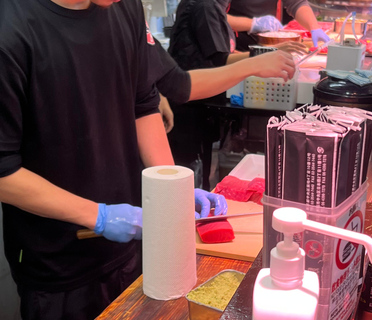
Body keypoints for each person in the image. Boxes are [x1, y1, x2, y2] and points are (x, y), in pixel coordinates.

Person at [0, 0, 295, 319]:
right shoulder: (11, 28)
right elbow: (4, 171)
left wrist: (171, 188)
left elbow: (144, 104)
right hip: (58, 263)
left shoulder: (124, 7)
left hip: (133, 245)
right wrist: (98, 215)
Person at [166, 0, 304, 190]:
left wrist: (265, 56)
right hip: (191, 105)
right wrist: (264, 56)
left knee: (201, 174)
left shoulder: (216, 6)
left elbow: (223, 52)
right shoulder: (205, 6)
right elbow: (220, 60)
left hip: (200, 100)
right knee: (190, 177)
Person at [227, 0, 330, 51]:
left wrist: (314, 27)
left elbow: (296, 3)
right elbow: (214, 16)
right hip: (232, 43)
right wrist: (252, 24)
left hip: (265, 42)